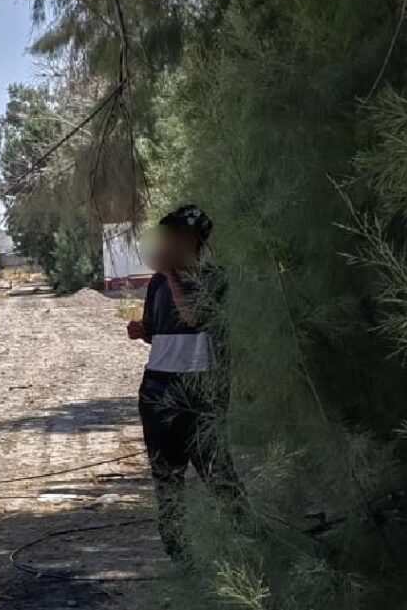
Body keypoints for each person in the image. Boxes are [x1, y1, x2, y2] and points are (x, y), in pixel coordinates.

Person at [127, 204, 242, 560]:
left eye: (175, 237)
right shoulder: (159, 283)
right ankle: (180, 556)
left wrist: (172, 276)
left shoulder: (214, 279)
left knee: (218, 476)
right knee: (166, 479)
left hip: (201, 394)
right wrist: (143, 331)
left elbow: (194, 318)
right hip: (158, 389)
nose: (167, 243)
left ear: (193, 240)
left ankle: (246, 542)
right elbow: (159, 330)